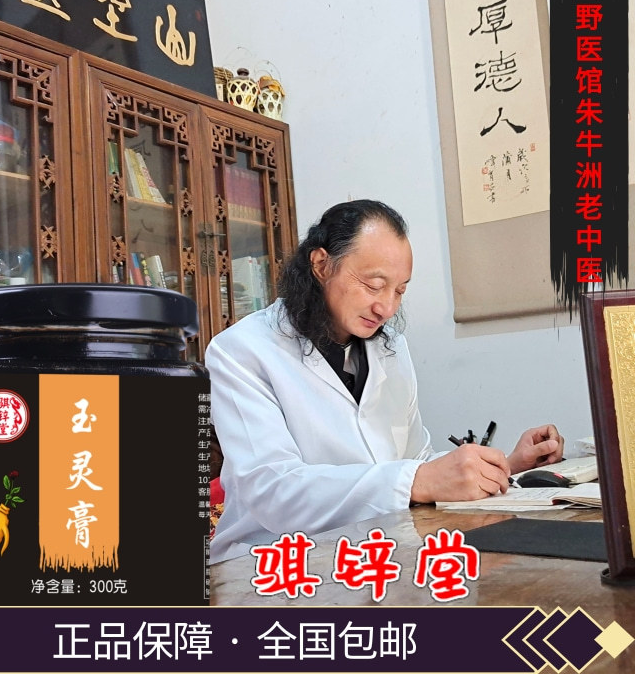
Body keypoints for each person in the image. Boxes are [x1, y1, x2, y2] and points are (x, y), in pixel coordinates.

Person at [206, 199, 564, 563]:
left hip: (374, 549)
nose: (387, 308)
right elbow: (274, 492)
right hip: (271, 562)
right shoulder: (242, 350)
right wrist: (416, 480)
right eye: (374, 285)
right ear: (321, 265)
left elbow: (415, 460)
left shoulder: (390, 347)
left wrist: (504, 465)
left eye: (399, 291)